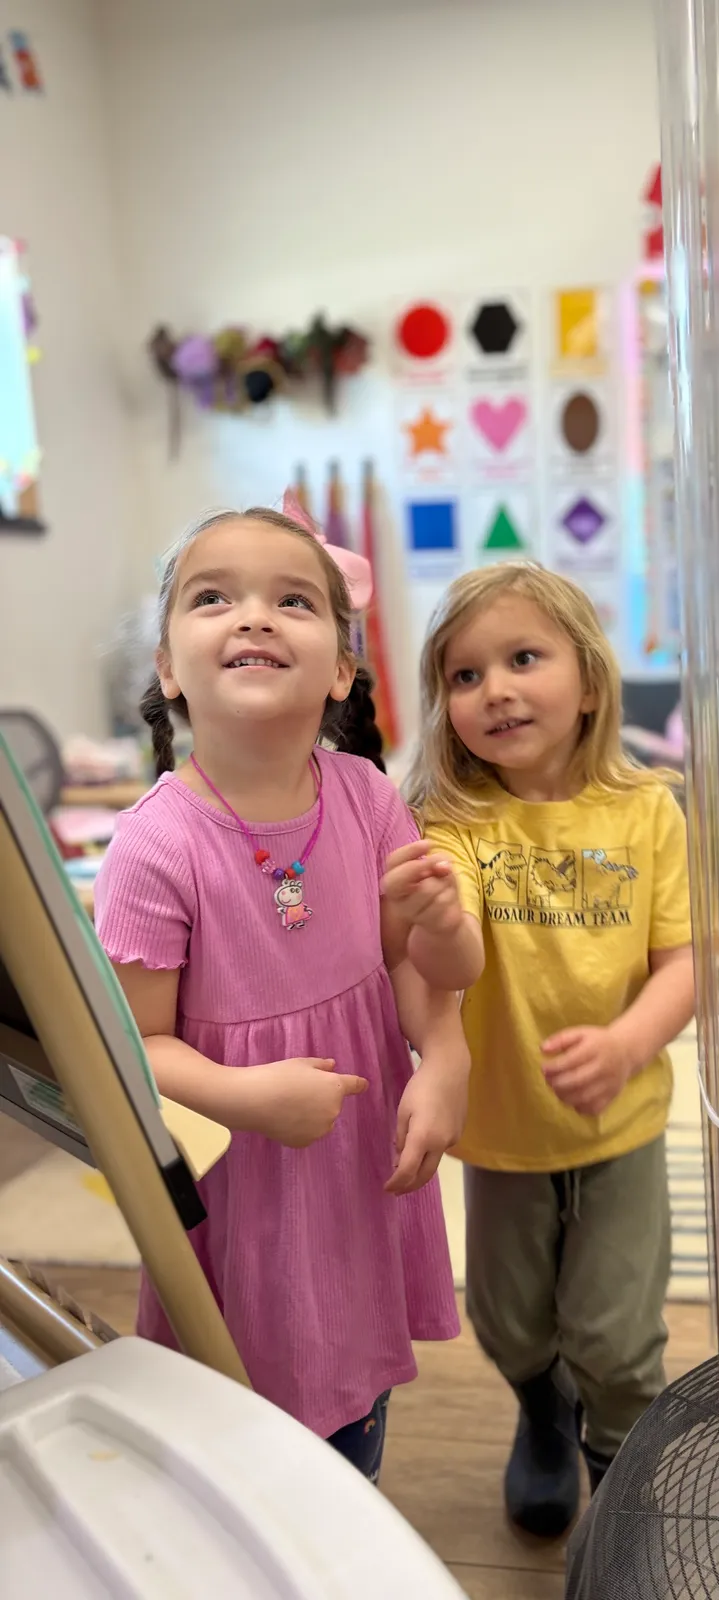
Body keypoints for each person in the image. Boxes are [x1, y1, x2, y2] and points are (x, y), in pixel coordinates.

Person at [94, 499, 477, 1482]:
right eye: (214, 596)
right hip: (242, 1183)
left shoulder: (368, 795)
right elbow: (138, 1043)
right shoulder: (156, 843)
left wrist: (442, 1053)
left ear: (341, 668)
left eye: (293, 599)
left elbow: (422, 969)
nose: (255, 616)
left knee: (352, 1389)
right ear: (170, 667)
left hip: (359, 1162)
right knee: (248, 1411)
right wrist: (249, 1096)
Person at [405, 561, 695, 1538]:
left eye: (523, 657)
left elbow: (685, 962)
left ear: (590, 683)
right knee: (510, 1320)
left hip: (621, 1123)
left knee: (616, 1332)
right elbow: (448, 959)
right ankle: (542, 1410)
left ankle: (619, 1458)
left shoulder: (649, 807)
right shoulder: (456, 819)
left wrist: (627, 1041)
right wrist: (436, 917)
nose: (495, 688)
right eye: (465, 674)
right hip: (502, 1133)